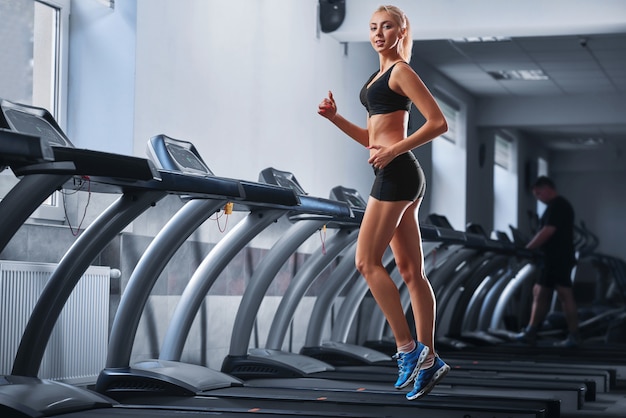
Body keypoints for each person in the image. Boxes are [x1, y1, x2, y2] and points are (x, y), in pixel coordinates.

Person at [317, 5, 449, 400]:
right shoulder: (379, 76)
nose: (378, 33)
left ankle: (408, 350)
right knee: (411, 272)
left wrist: (394, 152)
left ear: (400, 30)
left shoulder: (401, 72)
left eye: (386, 26)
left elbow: (438, 122)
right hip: (397, 172)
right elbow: (374, 141)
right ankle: (430, 361)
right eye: (373, 27)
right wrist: (336, 118)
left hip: (397, 173)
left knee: (366, 262)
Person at [515, 176, 580, 347]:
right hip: (554, 258)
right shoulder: (557, 205)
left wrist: (528, 248)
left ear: (547, 189)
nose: (538, 197)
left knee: (563, 295)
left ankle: (573, 335)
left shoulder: (558, 205)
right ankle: (532, 330)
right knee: (540, 292)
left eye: (538, 193)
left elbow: (547, 231)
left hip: (556, 259)